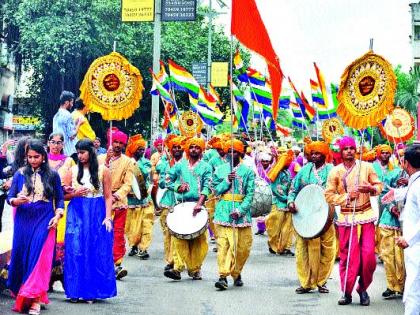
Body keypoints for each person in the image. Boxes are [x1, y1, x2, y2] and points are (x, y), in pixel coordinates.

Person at [7, 140, 64, 315]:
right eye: (29, 157)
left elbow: (60, 199)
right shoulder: (19, 174)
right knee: (22, 257)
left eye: (36, 157)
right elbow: (10, 198)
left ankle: (36, 300)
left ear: (44, 156)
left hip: (45, 218)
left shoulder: (53, 175)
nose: (32, 160)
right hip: (24, 219)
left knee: (40, 259)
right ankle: (27, 294)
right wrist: (16, 201)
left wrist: (58, 215)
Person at [325, 136, 382, 306]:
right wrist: (347, 196)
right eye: (346, 148)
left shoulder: (367, 167)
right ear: (341, 152)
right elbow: (328, 195)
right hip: (347, 218)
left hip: (366, 216)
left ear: (356, 149)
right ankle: (346, 292)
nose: (349, 151)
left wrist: (371, 188)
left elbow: (379, 186)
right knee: (348, 258)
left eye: (352, 148)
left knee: (369, 258)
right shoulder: (335, 171)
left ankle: (363, 288)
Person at [63, 139, 116, 303]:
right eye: (78, 153)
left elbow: (108, 197)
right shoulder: (71, 170)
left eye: (82, 152)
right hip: (77, 212)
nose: (80, 156)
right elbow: (63, 196)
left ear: (91, 152)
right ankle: (74, 290)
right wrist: (74, 194)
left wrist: (108, 217)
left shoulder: (103, 171)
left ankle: (92, 291)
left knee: (95, 249)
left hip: (96, 212)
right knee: (75, 249)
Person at [287, 141, 336, 294]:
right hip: (305, 217)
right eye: (312, 153)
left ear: (324, 154)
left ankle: (322, 281)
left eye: (318, 153)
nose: (314, 156)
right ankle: (306, 282)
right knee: (302, 250)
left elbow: (339, 190)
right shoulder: (304, 170)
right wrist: (290, 202)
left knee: (326, 250)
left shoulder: (332, 170)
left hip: (326, 216)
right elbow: (293, 189)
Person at [164, 137, 211, 281]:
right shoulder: (180, 166)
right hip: (182, 206)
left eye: (197, 147)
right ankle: (177, 268)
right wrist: (177, 187)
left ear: (201, 150)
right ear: (188, 149)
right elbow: (166, 180)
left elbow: (207, 186)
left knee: (198, 240)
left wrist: (200, 203)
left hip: (199, 206)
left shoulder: (206, 167)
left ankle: (195, 269)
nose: (194, 150)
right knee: (179, 237)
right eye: (191, 147)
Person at [382, 144, 420, 315]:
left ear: (405, 163)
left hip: (416, 246)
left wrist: (409, 239)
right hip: (414, 245)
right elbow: (410, 191)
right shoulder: (415, 182)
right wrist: (397, 193)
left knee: (413, 291)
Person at [213, 139, 255, 290]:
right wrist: (226, 181)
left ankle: (236, 273)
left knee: (241, 248)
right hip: (224, 211)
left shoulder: (248, 172)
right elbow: (215, 190)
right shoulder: (220, 170)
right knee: (224, 245)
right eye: (229, 151)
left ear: (241, 153)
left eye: (235, 151)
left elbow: (250, 195)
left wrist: (240, 211)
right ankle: (222, 276)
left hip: (241, 213)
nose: (231, 154)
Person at [98, 127, 132, 280]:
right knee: (101, 233)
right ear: (110, 142)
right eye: (115, 142)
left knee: (117, 233)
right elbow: (95, 176)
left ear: (124, 145)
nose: (117, 145)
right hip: (101, 202)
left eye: (120, 143)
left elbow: (128, 184)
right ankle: (102, 263)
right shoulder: (100, 159)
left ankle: (117, 264)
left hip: (119, 203)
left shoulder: (128, 162)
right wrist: (106, 161)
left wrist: (116, 196)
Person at [373, 144, 406, 299]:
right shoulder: (393, 174)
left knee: (403, 258)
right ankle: (391, 285)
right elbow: (384, 194)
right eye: (403, 158)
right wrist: (392, 207)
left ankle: (405, 285)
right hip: (389, 220)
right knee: (387, 255)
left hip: (407, 223)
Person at [46, 133, 75, 291]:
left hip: (61, 204)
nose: (56, 145)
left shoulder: (69, 161)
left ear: (63, 144)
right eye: (53, 142)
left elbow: (71, 183)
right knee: (45, 240)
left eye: (59, 142)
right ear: (48, 142)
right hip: (43, 205)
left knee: (61, 242)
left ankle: (61, 277)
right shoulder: (41, 158)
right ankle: (45, 279)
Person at [156, 135, 185, 271]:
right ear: (170, 149)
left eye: (180, 147)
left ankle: (182, 260)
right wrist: (170, 174)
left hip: (184, 201)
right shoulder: (165, 164)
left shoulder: (187, 164)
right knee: (168, 233)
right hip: (168, 201)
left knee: (182, 232)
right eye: (175, 147)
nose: (177, 149)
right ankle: (171, 260)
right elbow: (162, 183)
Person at [125, 134, 154, 260]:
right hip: (131, 199)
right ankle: (134, 246)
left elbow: (145, 173)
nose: (141, 151)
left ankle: (143, 248)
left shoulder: (146, 163)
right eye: (139, 149)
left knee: (146, 225)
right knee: (132, 227)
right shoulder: (125, 162)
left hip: (144, 199)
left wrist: (135, 164)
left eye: (143, 149)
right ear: (132, 149)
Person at [265, 150, 294, 255]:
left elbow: (291, 186)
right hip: (279, 203)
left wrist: (291, 198)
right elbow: (276, 189)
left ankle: (285, 247)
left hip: (288, 203)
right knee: (275, 227)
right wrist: (288, 198)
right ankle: (273, 246)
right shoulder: (277, 173)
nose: (290, 163)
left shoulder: (287, 172)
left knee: (288, 228)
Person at [52, 91, 81, 159]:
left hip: (59, 149)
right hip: (69, 152)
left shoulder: (56, 115)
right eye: (71, 102)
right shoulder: (67, 115)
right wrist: (79, 124)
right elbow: (72, 135)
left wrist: (74, 123)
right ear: (67, 102)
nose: (72, 105)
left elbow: (64, 129)